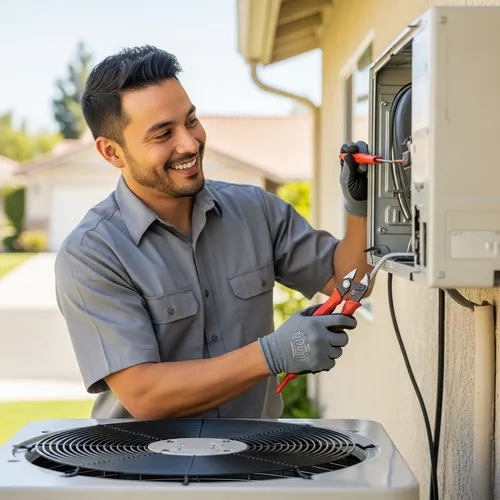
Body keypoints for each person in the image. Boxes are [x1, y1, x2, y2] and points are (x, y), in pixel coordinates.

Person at [54, 45, 373, 420]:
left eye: (190, 121)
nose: (189, 143)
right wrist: (270, 354)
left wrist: (361, 208)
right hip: (146, 473)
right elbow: (144, 394)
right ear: (112, 152)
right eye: (162, 134)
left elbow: (348, 279)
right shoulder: (92, 253)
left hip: (254, 464)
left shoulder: (257, 211)